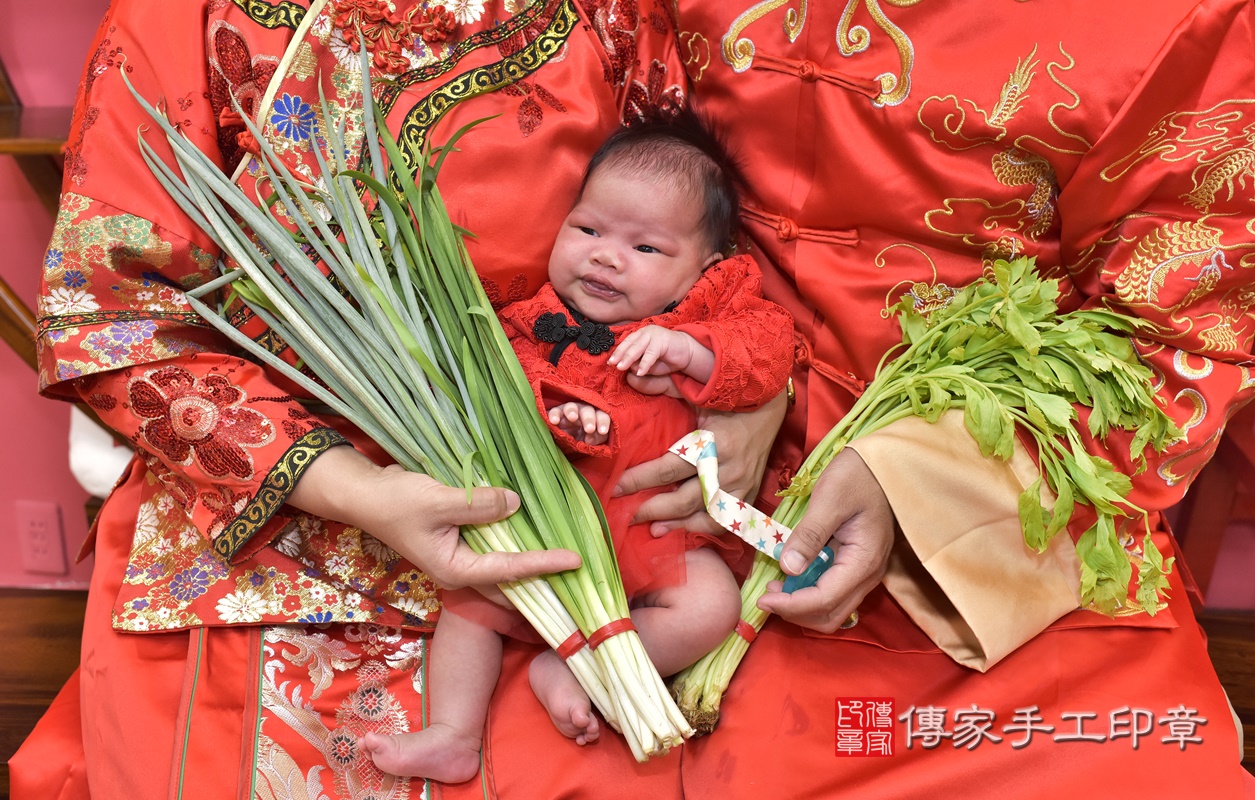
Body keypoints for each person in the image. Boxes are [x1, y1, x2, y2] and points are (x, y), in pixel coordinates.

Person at [12, 0, 1253, 798]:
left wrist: (742, 388)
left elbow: (704, 209)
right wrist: (360, 489)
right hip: (324, 473)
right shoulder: (191, 18)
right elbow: (114, 312)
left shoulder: (608, 8)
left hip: (633, 440)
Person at [361, 115, 792, 781]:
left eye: (646, 248)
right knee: (471, 606)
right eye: (587, 229)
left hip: (651, 527)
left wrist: (693, 352)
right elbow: (496, 386)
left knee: (709, 609)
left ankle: (568, 668)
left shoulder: (711, 313)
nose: (605, 256)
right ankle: (451, 730)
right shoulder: (533, 321)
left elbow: (769, 350)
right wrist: (543, 410)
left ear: (703, 269)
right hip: (543, 525)